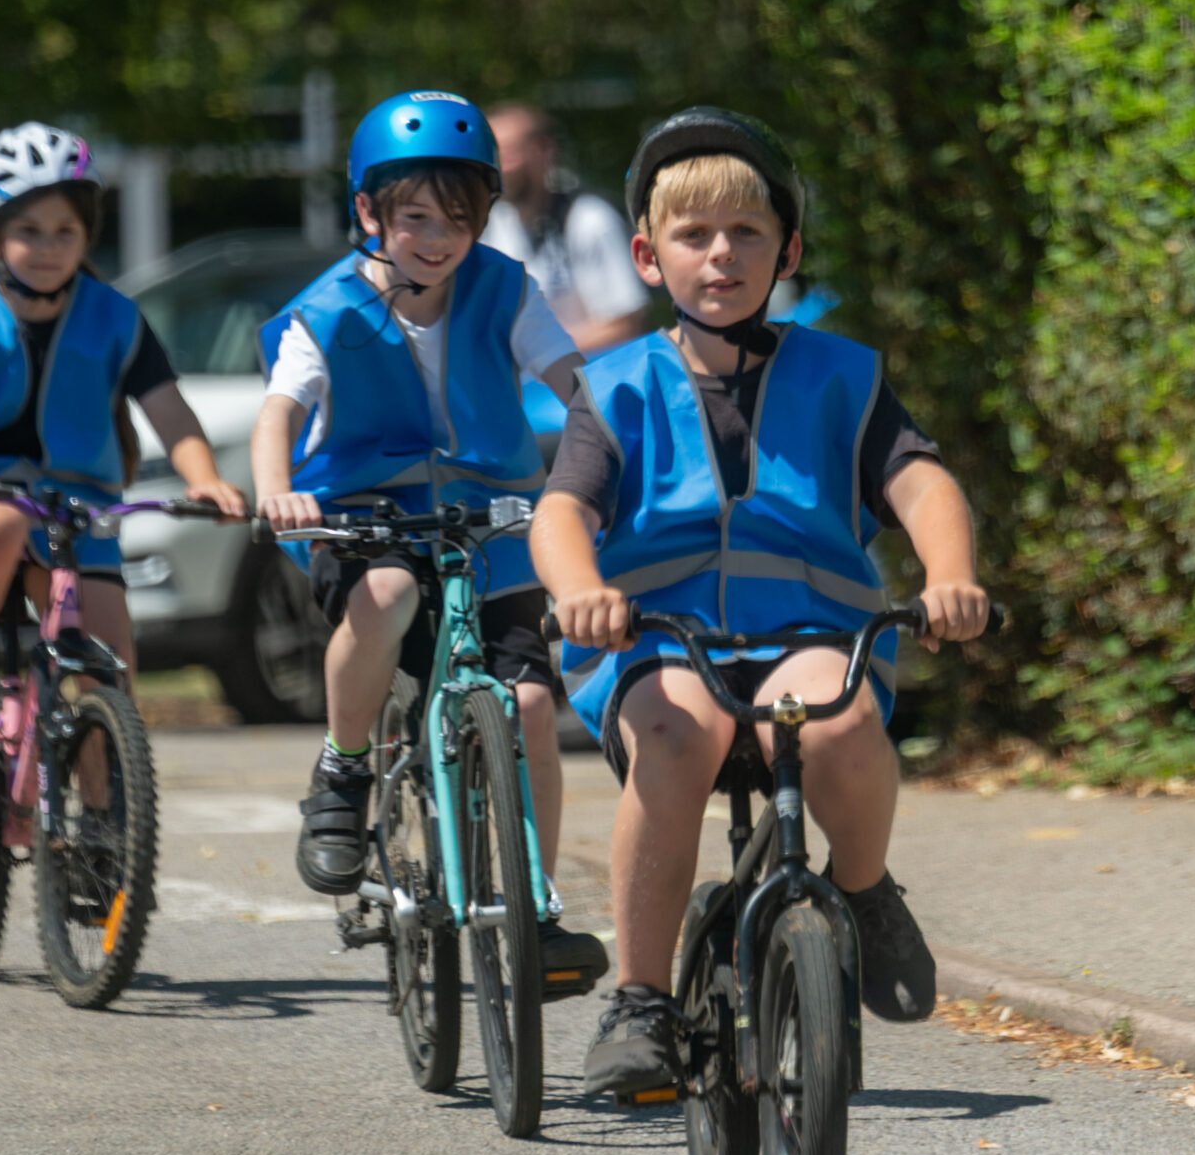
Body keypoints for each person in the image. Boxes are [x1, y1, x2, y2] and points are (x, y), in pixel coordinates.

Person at [527, 107, 991, 1096]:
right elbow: (561, 512)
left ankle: (863, 889)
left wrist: (949, 576)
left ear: (787, 251)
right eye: (694, 237)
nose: (722, 255)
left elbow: (920, 483)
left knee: (841, 716)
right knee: (675, 733)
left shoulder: (841, 375)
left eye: (746, 233)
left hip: (808, 633)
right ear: (650, 259)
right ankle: (641, 998)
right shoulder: (614, 386)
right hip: (660, 640)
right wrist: (581, 593)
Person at [254, 90, 609, 999]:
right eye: (414, 217)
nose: (438, 237)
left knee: (532, 705)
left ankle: (535, 901)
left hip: (488, 521)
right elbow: (280, 413)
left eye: (459, 217)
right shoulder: (327, 309)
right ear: (368, 212)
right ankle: (343, 771)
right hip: (366, 518)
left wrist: (618, 445)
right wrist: (276, 490)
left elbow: (573, 380)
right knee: (384, 598)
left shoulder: (504, 288)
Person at [0, 124, 244, 758]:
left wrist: (204, 477)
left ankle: (105, 829)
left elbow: (172, 414)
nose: (48, 248)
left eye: (65, 232)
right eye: (29, 232)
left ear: (87, 237)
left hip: (72, 510)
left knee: (109, 667)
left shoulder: (115, 318)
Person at [479, 102, 650, 353]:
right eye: (491, 156)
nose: (498, 167)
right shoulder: (494, 227)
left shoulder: (589, 219)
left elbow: (624, 323)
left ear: (544, 150)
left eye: (508, 154)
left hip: (592, 379)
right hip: (525, 386)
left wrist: (533, 354)